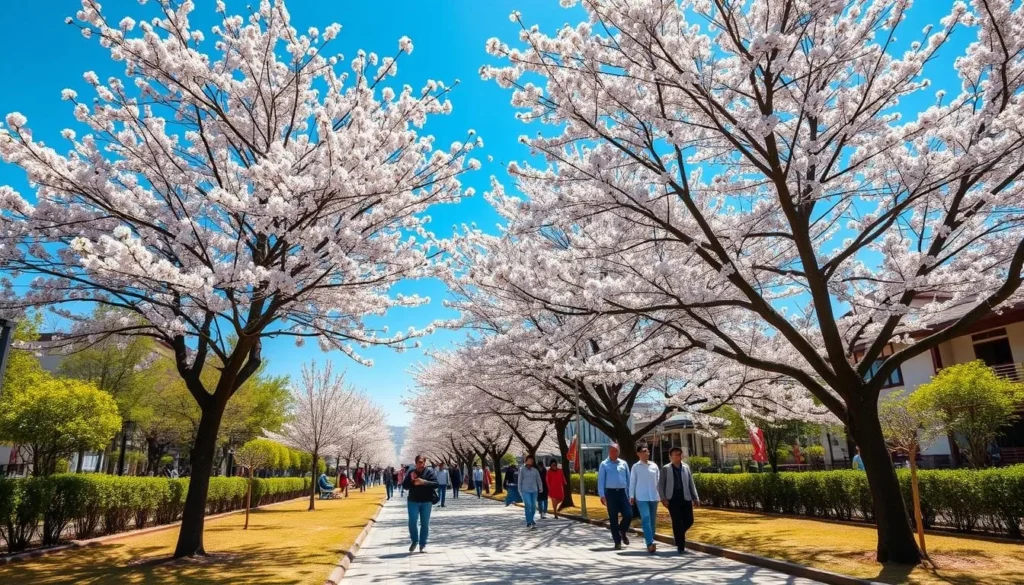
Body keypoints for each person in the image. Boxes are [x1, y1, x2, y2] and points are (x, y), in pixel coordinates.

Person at [658, 447, 700, 554]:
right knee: (677, 521)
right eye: (675, 455)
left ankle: (678, 535)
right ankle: (681, 546)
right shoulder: (666, 468)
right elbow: (661, 485)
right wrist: (663, 498)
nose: (677, 457)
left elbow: (691, 484)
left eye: (679, 454)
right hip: (672, 498)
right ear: (670, 456)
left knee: (689, 520)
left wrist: (695, 498)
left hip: (685, 497)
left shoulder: (686, 468)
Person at [597, 442, 632, 550]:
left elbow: (628, 479)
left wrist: (630, 494)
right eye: (612, 450)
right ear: (609, 451)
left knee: (629, 514)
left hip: (622, 493)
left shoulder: (623, 463)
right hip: (610, 494)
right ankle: (617, 542)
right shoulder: (604, 464)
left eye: (616, 450)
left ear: (618, 451)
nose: (614, 452)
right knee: (613, 518)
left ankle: (622, 530)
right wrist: (602, 495)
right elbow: (601, 481)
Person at [402, 455, 439, 553]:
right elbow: (405, 486)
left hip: (426, 501)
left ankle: (422, 544)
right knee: (412, 522)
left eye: (422, 462)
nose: (421, 464)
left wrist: (424, 482)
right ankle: (414, 541)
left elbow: (436, 484)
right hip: (413, 501)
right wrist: (411, 480)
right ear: (415, 463)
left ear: (425, 463)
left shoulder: (430, 472)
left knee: (425, 524)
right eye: (419, 462)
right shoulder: (411, 472)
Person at [630, 444, 661, 554]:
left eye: (647, 451)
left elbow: (658, 481)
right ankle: (649, 543)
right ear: (638, 453)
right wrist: (631, 496)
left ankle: (651, 540)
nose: (647, 453)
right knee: (646, 518)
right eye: (644, 451)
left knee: (652, 521)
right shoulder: (635, 467)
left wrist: (661, 495)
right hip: (641, 497)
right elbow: (632, 482)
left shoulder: (654, 466)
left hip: (653, 496)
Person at [518, 455, 544, 528]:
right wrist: (519, 490)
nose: (530, 461)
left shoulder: (535, 470)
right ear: (526, 461)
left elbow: (539, 480)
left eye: (531, 460)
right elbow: (519, 480)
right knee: (528, 505)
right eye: (529, 460)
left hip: (534, 490)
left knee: (533, 506)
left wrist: (540, 487)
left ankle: (531, 519)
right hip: (525, 491)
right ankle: (529, 521)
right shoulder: (522, 469)